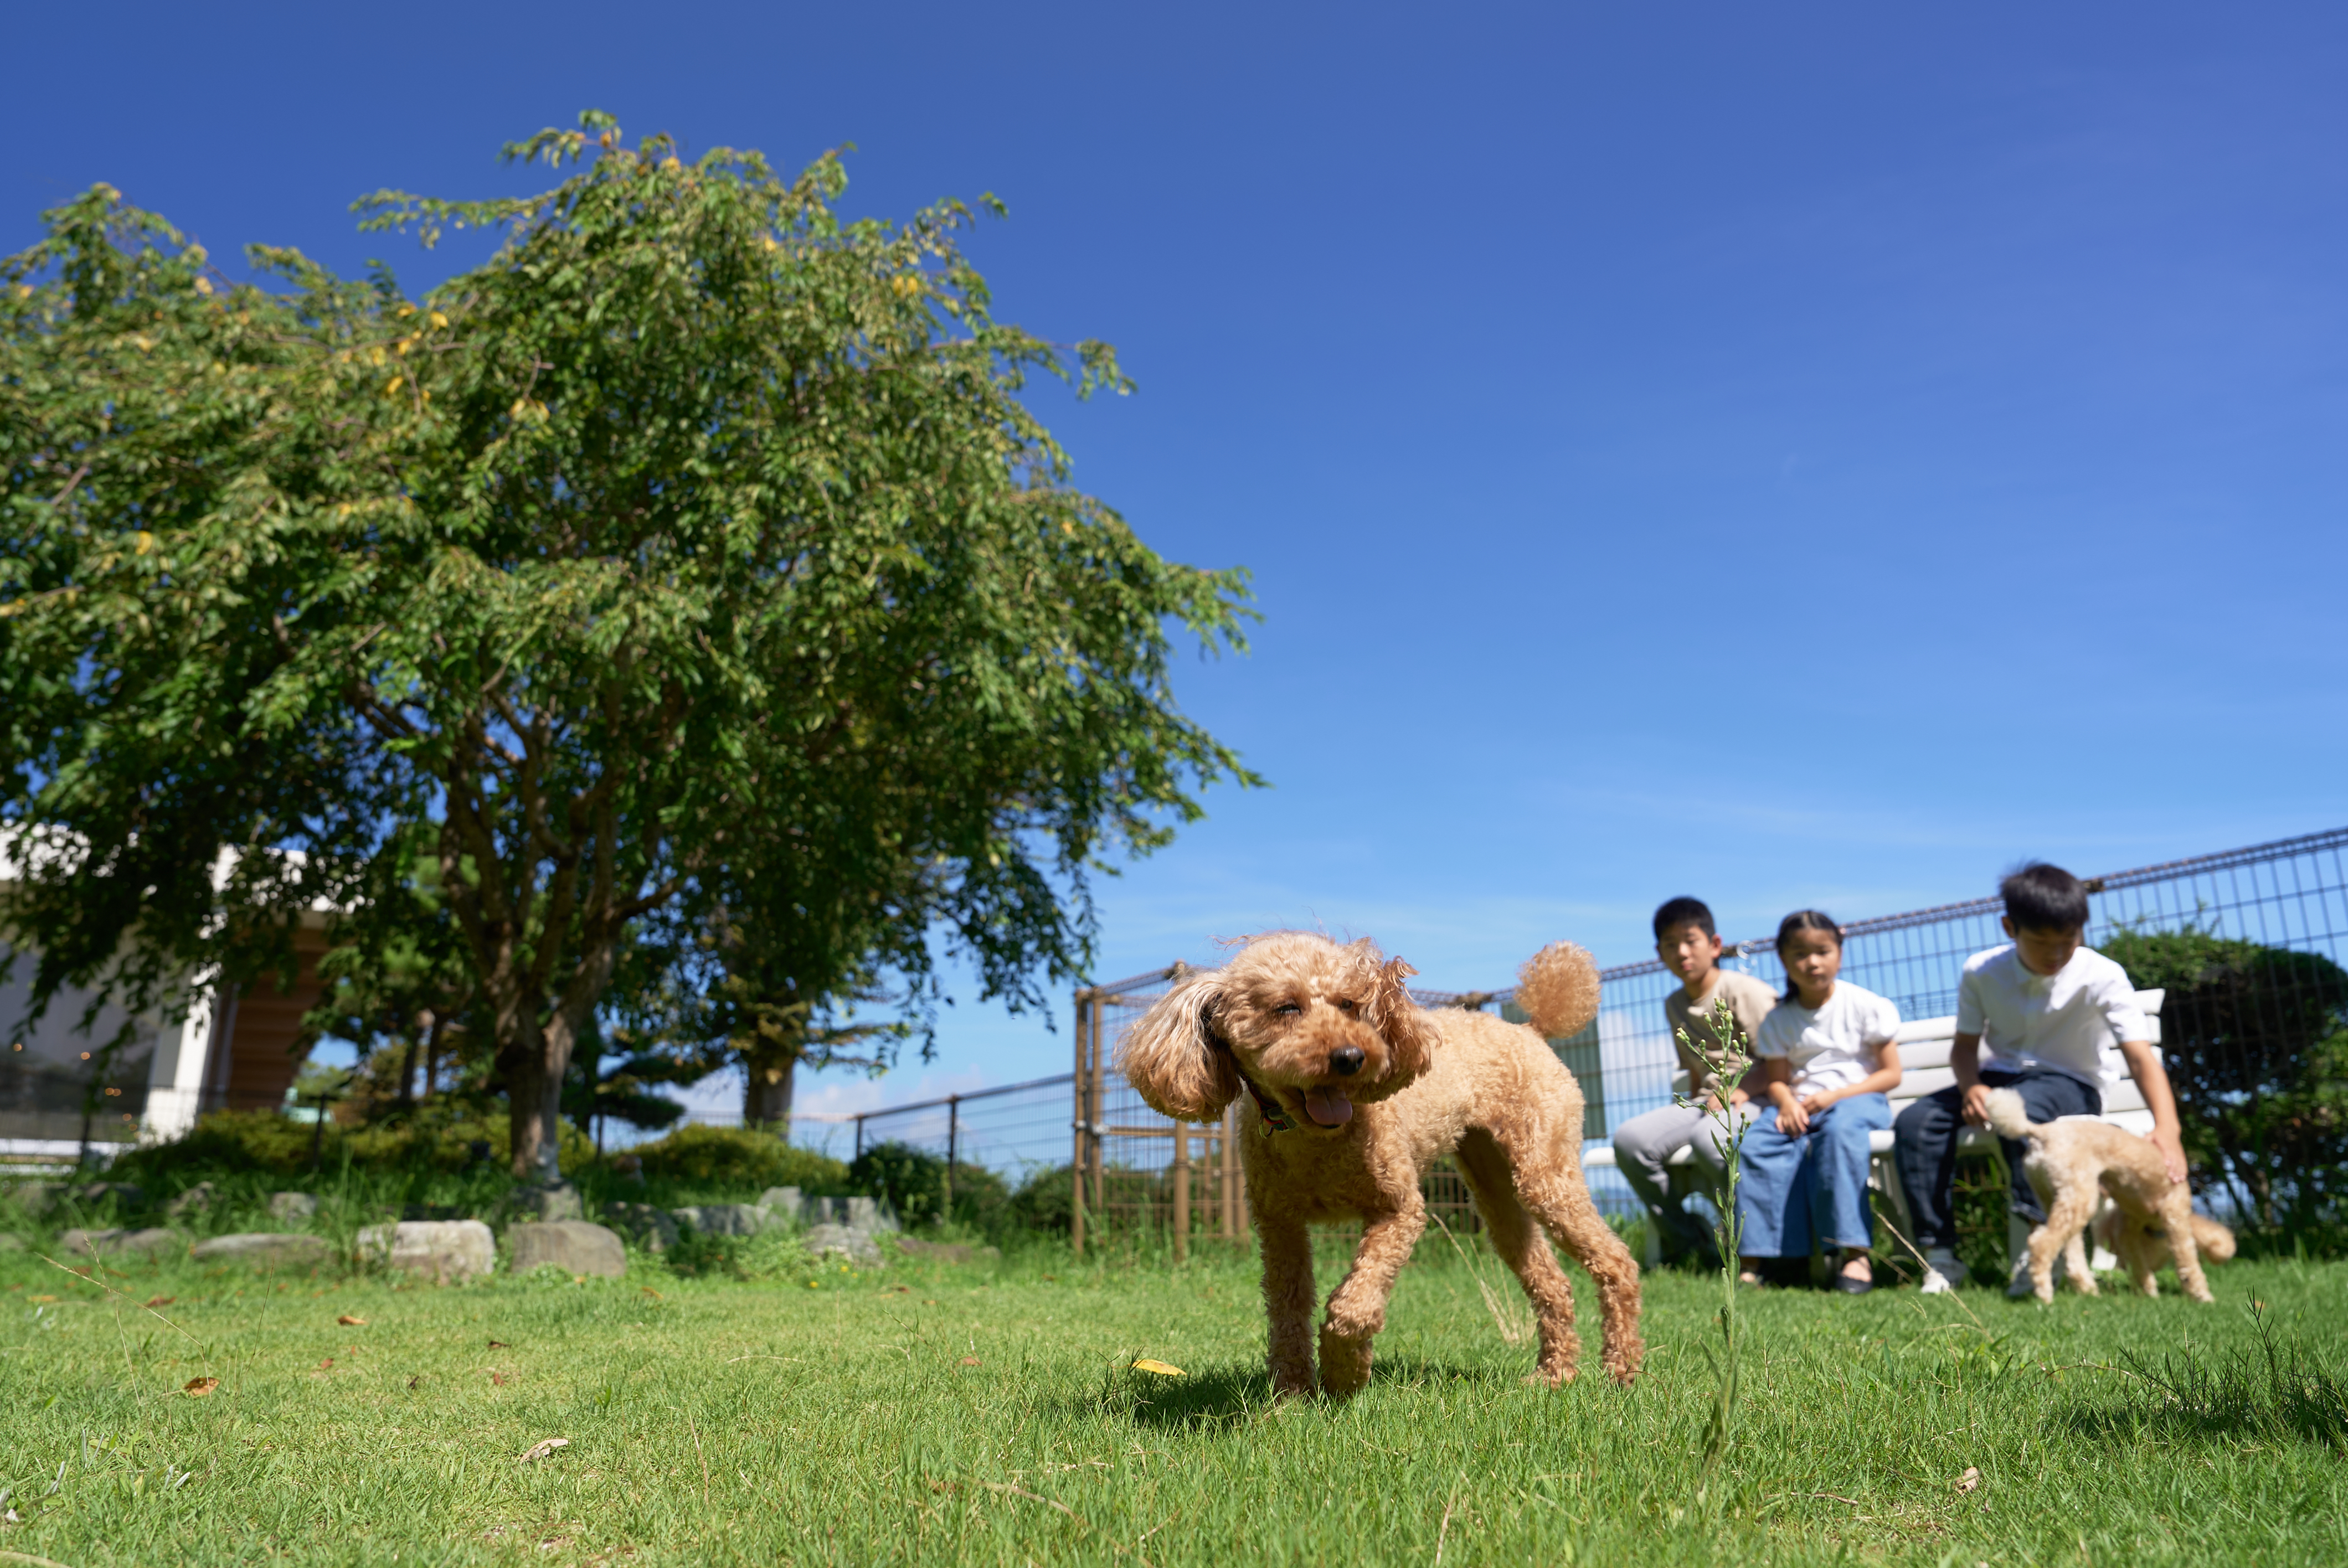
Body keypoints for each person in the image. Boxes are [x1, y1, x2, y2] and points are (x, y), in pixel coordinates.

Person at [1893, 862, 2185, 1297]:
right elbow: (1964, 1050)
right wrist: (1972, 1087)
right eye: (2041, 943)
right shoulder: (1981, 971)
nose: (2055, 955)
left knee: (2027, 1110)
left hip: (2072, 1085)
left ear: (2081, 932)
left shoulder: (2103, 976)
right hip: (1998, 1079)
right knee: (1916, 1121)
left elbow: (2141, 1060)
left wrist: (2170, 1129)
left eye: (2066, 943)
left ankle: (2037, 1250)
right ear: (2010, 927)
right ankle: (1940, 1255)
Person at [1735, 910, 1902, 1293]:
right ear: (1783, 960)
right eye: (1800, 954)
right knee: (1756, 1143)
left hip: (1859, 1102)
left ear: (1839, 953)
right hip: (1800, 1107)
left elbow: (1891, 1074)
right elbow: (1777, 1081)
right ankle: (1763, 1259)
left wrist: (1837, 1096)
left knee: (1840, 1133)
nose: (1812, 962)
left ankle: (1854, 1254)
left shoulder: (1864, 1005)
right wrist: (1788, 1103)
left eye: (1822, 951)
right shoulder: (1779, 1019)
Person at [1610, 897, 1777, 1270]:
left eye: (1690, 941)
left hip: (1760, 1097)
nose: (1681, 952)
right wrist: (1702, 1104)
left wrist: (1739, 1092)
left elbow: (1781, 1060)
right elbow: (1697, 1073)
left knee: (1710, 1140)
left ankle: (1757, 1245)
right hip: (1708, 1103)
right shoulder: (1673, 1004)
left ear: (1715, 945)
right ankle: (1690, 1241)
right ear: (1659, 953)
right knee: (1630, 1140)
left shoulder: (1745, 990)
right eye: (1670, 945)